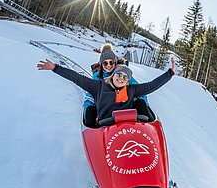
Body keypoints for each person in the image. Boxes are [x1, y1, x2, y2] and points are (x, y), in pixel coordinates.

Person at [37, 58, 175, 125]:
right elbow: (76, 78)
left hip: (128, 127)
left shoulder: (131, 90)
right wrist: (55, 68)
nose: (121, 78)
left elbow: (152, 85)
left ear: (128, 81)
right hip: (106, 128)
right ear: (113, 75)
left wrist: (170, 73)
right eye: (119, 75)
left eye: (125, 78)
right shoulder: (98, 86)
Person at [83, 44, 146, 127]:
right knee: (90, 116)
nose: (108, 65)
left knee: (141, 103)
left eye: (111, 62)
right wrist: (89, 108)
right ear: (101, 63)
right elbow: (91, 93)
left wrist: (140, 102)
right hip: (105, 107)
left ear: (115, 61)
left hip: (123, 105)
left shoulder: (122, 72)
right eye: (105, 63)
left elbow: (137, 88)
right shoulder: (98, 76)